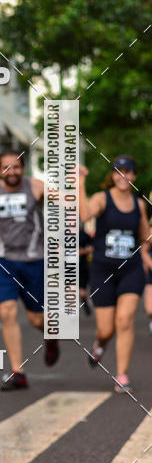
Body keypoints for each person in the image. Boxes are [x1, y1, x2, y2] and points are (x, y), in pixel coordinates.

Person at [0, 150, 59, 390]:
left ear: (23, 169)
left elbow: (64, 204)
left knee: (37, 319)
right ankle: (18, 372)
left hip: (35, 260)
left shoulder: (36, 187)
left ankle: (51, 336)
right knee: (7, 312)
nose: (12, 172)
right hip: (5, 261)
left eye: (16, 167)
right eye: (7, 167)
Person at [79, 156, 152, 392]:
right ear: (113, 175)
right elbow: (85, 216)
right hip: (103, 270)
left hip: (131, 270)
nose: (123, 176)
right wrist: (80, 183)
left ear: (134, 176)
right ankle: (99, 345)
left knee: (125, 320)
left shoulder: (138, 204)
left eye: (128, 172)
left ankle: (122, 375)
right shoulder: (102, 198)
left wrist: (146, 254)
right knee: (106, 329)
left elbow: (145, 236)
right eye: (119, 171)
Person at [78, 225, 94, 316]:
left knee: (82, 292)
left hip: (82, 267)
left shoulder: (84, 235)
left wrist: (83, 251)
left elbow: (92, 247)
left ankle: (85, 302)